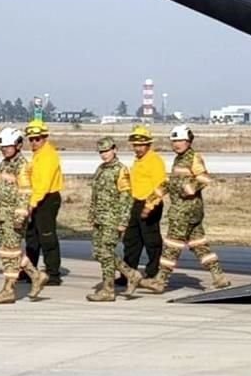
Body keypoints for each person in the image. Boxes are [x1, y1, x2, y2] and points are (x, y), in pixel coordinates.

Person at [139, 126, 230, 294]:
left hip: (185, 211)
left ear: (188, 141)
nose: (176, 144)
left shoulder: (193, 158)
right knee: (199, 245)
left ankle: (160, 281)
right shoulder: (178, 160)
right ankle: (219, 277)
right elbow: (170, 183)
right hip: (188, 212)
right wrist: (152, 199)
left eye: (180, 141)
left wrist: (191, 188)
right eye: (174, 141)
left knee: (172, 246)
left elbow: (204, 177)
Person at [0, 127, 49, 304]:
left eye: (8, 146)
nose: (4, 149)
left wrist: (20, 216)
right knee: (7, 251)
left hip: (14, 215)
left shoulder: (22, 166)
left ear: (18, 145)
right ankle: (36, 276)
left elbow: (25, 192)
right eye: (3, 147)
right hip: (2, 214)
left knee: (11, 253)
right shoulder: (4, 164)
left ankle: (9, 289)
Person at [86, 137, 143, 301]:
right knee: (98, 253)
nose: (104, 155)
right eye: (101, 152)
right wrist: (92, 214)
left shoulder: (121, 170)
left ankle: (108, 290)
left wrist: (123, 221)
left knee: (106, 253)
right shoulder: (101, 169)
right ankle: (131, 274)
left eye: (107, 151)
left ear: (114, 149)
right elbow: (95, 195)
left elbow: (126, 198)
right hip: (99, 218)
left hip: (113, 218)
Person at [119, 125, 167, 282]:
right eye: (135, 145)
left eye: (140, 145)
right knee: (131, 241)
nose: (137, 148)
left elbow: (160, 187)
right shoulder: (138, 161)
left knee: (151, 241)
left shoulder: (155, 161)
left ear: (148, 144)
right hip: (136, 203)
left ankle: (153, 272)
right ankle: (128, 274)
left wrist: (149, 206)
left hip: (150, 204)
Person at [24, 120, 65, 285]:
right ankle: (30, 270)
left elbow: (43, 184)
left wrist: (32, 203)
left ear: (45, 138)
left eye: (37, 139)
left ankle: (53, 273)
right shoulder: (38, 155)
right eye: (31, 139)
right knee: (32, 236)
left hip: (46, 199)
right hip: (36, 197)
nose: (34, 142)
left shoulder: (48, 156)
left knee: (47, 236)